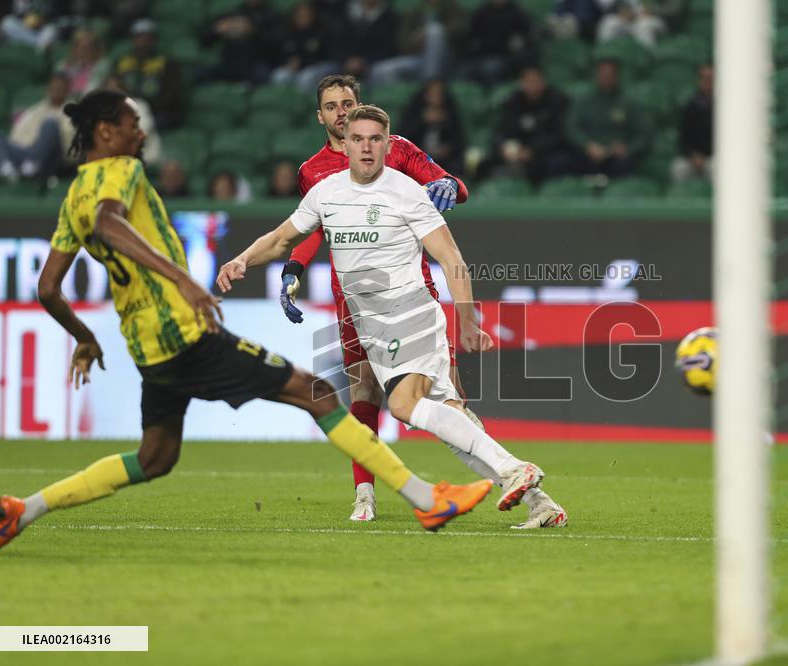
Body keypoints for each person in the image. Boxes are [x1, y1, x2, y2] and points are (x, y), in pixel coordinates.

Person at [0, 90, 492, 556]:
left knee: (154, 458)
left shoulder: (73, 194)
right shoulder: (121, 171)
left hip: (147, 347)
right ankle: (426, 497)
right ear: (105, 132)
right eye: (131, 124)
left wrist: (83, 336)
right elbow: (109, 223)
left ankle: (22, 510)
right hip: (185, 334)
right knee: (312, 389)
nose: (140, 134)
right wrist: (181, 280)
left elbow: (48, 287)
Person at [218, 105, 563, 530]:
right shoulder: (325, 193)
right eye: (358, 139)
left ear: (387, 144)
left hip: (412, 314)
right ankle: (540, 502)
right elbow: (282, 239)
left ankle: (515, 470)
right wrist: (242, 260)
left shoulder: (406, 192)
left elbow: (450, 257)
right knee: (449, 419)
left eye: (375, 139)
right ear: (343, 145)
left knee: (402, 405)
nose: (366, 147)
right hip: (372, 328)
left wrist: (468, 320)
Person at [488, 64, 574, 184]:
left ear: (543, 81)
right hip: (519, 152)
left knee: (558, 161)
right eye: (527, 81)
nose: (531, 85)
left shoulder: (557, 101)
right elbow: (502, 130)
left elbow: (559, 134)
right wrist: (504, 147)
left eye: (535, 81)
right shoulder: (513, 101)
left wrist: (532, 151)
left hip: (546, 152)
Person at [567, 57, 652, 178]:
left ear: (617, 76)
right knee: (564, 162)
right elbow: (572, 127)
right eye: (602, 74)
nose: (605, 78)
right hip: (587, 153)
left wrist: (628, 149)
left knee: (625, 164)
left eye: (609, 74)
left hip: (616, 156)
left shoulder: (629, 103)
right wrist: (587, 145)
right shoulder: (584, 101)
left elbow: (644, 135)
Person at [0, 72, 74, 181]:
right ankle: (7, 169)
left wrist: (40, 145)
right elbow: (15, 137)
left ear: (67, 91)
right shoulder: (35, 110)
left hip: (50, 160)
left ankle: (31, 167)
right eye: (53, 88)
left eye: (59, 89)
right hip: (24, 154)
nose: (55, 91)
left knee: (50, 123)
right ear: (47, 89)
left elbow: (71, 149)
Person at [112, 19, 185, 129]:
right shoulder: (122, 62)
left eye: (147, 38)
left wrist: (147, 107)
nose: (143, 41)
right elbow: (114, 85)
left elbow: (171, 93)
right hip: (127, 109)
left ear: (154, 40)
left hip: (157, 111)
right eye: (139, 37)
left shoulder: (167, 63)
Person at [398, 79, 466, 177]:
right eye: (432, 95)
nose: (435, 99)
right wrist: (422, 122)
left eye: (439, 95)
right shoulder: (413, 113)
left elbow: (459, 140)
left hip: (444, 161)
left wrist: (448, 148)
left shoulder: (450, 113)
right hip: (418, 159)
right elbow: (403, 138)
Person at [671, 64, 713, 183]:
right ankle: (680, 200)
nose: (708, 82)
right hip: (693, 157)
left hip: (713, 157)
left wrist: (706, 156)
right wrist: (693, 155)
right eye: (704, 78)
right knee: (679, 168)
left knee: (717, 167)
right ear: (698, 80)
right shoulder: (690, 106)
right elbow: (683, 138)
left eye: (710, 78)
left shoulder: (726, 104)